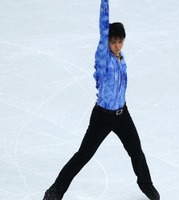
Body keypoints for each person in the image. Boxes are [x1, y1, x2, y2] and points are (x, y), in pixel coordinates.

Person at [42, 0, 160, 199]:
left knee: (136, 151)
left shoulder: (121, 58)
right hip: (102, 117)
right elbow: (103, 27)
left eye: (119, 41)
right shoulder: (103, 57)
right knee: (83, 155)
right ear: (107, 41)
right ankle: (55, 190)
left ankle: (146, 185)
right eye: (112, 41)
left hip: (122, 114)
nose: (116, 45)